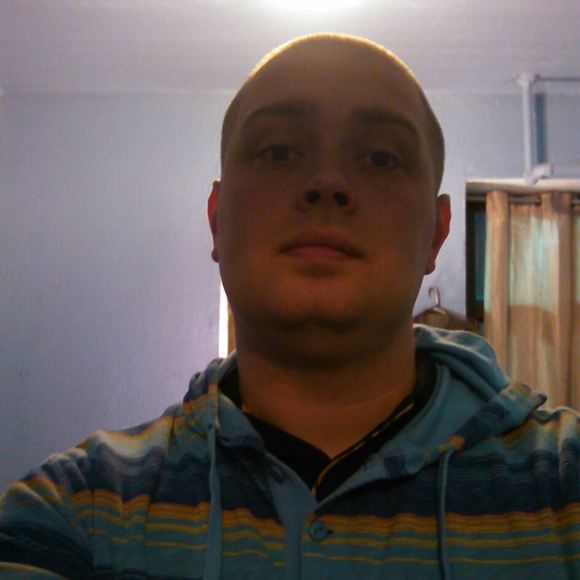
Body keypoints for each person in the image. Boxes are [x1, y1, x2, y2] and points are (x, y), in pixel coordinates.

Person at [0, 33, 578, 579]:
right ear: (217, 221)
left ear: (437, 232)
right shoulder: (74, 508)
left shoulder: (566, 480)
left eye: (380, 158)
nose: (327, 182)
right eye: (277, 151)